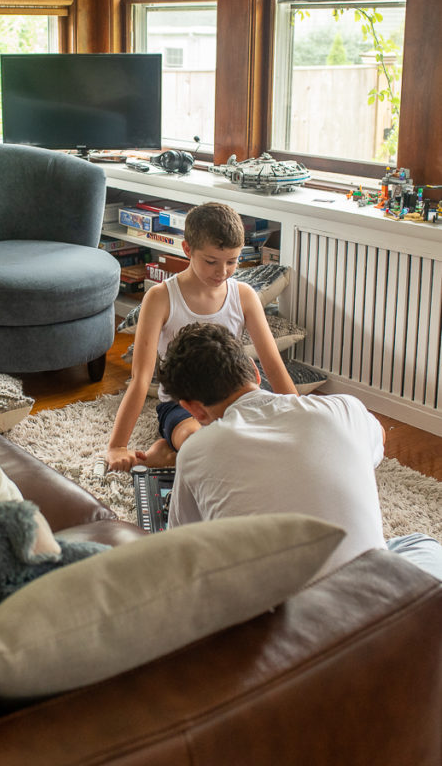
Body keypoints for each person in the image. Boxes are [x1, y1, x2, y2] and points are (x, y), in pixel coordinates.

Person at [158, 321, 442, 582]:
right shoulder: (344, 409)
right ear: (254, 370)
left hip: (289, 626)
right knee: (418, 543)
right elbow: (379, 435)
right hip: (379, 600)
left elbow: (183, 551)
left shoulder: (195, 452)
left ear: (193, 408)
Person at [106, 202, 298, 472]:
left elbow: (273, 365)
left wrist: (300, 419)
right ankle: (169, 452)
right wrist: (117, 446)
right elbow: (140, 378)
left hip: (235, 399)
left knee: (270, 442)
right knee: (201, 443)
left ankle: (172, 455)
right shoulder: (160, 298)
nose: (222, 272)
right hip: (184, 406)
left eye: (232, 262)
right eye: (211, 262)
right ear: (187, 250)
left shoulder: (244, 296)